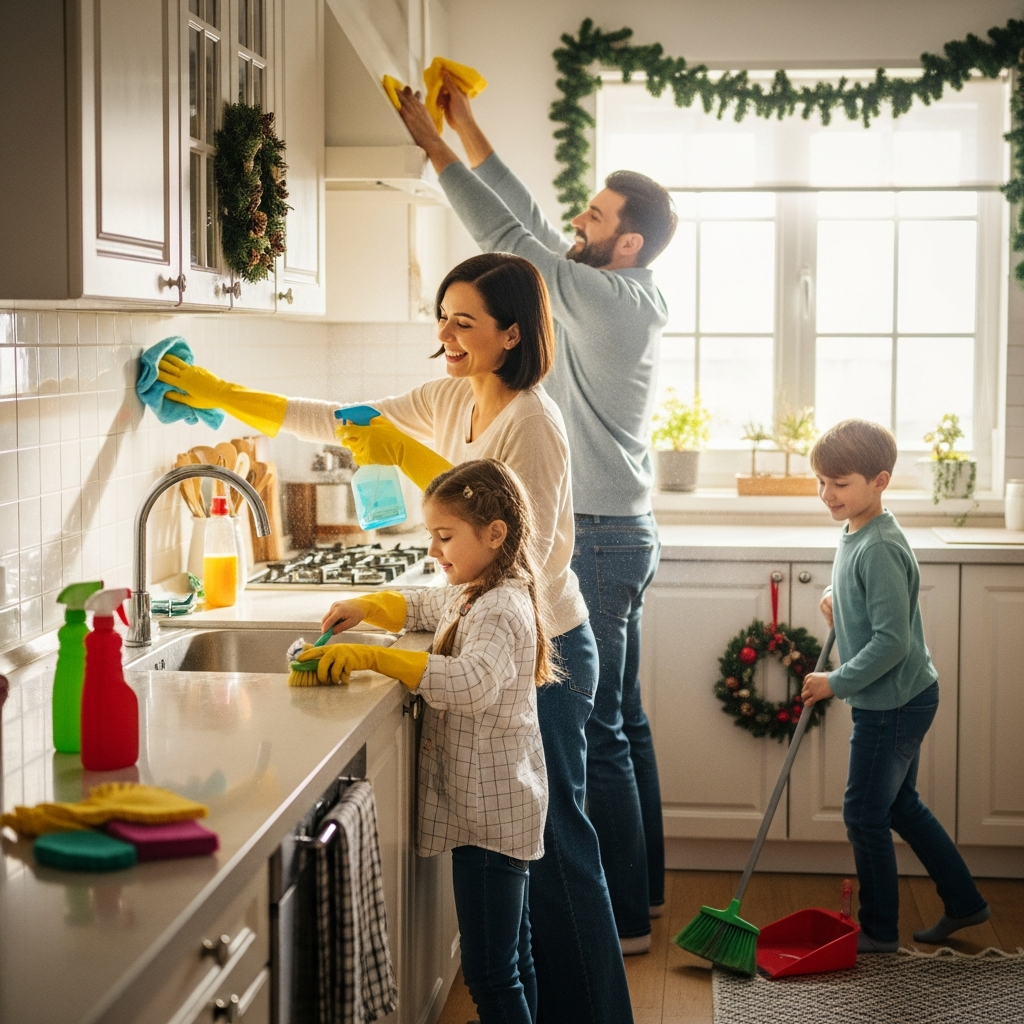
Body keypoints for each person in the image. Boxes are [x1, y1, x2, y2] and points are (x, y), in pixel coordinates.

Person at [157, 252, 637, 1023]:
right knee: (523, 879)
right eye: (441, 317)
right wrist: (223, 396)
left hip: (543, 649)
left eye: (464, 321)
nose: (445, 334)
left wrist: (413, 458)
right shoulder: (451, 396)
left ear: (511, 334)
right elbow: (341, 419)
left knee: (557, 853)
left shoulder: (533, 424)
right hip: (484, 627)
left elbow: (537, 555)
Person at [392, 72, 676, 956]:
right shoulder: (618, 291)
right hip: (617, 528)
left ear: (626, 243)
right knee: (620, 724)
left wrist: (435, 148)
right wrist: (468, 122)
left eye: (592, 219)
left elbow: (514, 240)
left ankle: (618, 920)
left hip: (592, 533)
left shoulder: (607, 297)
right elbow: (529, 223)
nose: (577, 226)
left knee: (598, 734)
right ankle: (641, 900)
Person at [297, 460, 551, 1023]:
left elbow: (470, 683)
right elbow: (427, 604)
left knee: (491, 974)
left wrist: (375, 656)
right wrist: (369, 608)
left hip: (488, 820)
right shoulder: (480, 589)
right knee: (516, 959)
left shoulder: (497, 607)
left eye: (444, 537)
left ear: (494, 534)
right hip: (499, 809)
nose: (435, 552)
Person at [802, 419, 990, 953]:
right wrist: (841, 603)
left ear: (879, 481)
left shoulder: (881, 545)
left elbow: (892, 643)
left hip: (894, 703)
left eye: (840, 483)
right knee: (900, 806)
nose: (827, 494)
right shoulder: (857, 531)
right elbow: (874, 605)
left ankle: (880, 930)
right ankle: (966, 902)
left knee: (863, 813)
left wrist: (835, 680)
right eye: (821, 482)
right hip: (899, 696)